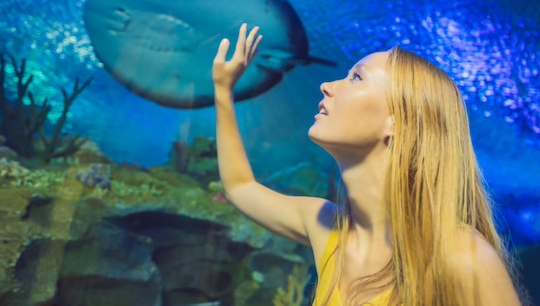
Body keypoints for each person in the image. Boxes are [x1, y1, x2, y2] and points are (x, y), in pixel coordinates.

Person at [212, 23, 523, 306]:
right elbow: (241, 187)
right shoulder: (327, 229)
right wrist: (223, 91)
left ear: (398, 122)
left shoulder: (461, 256)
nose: (326, 85)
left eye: (356, 77)